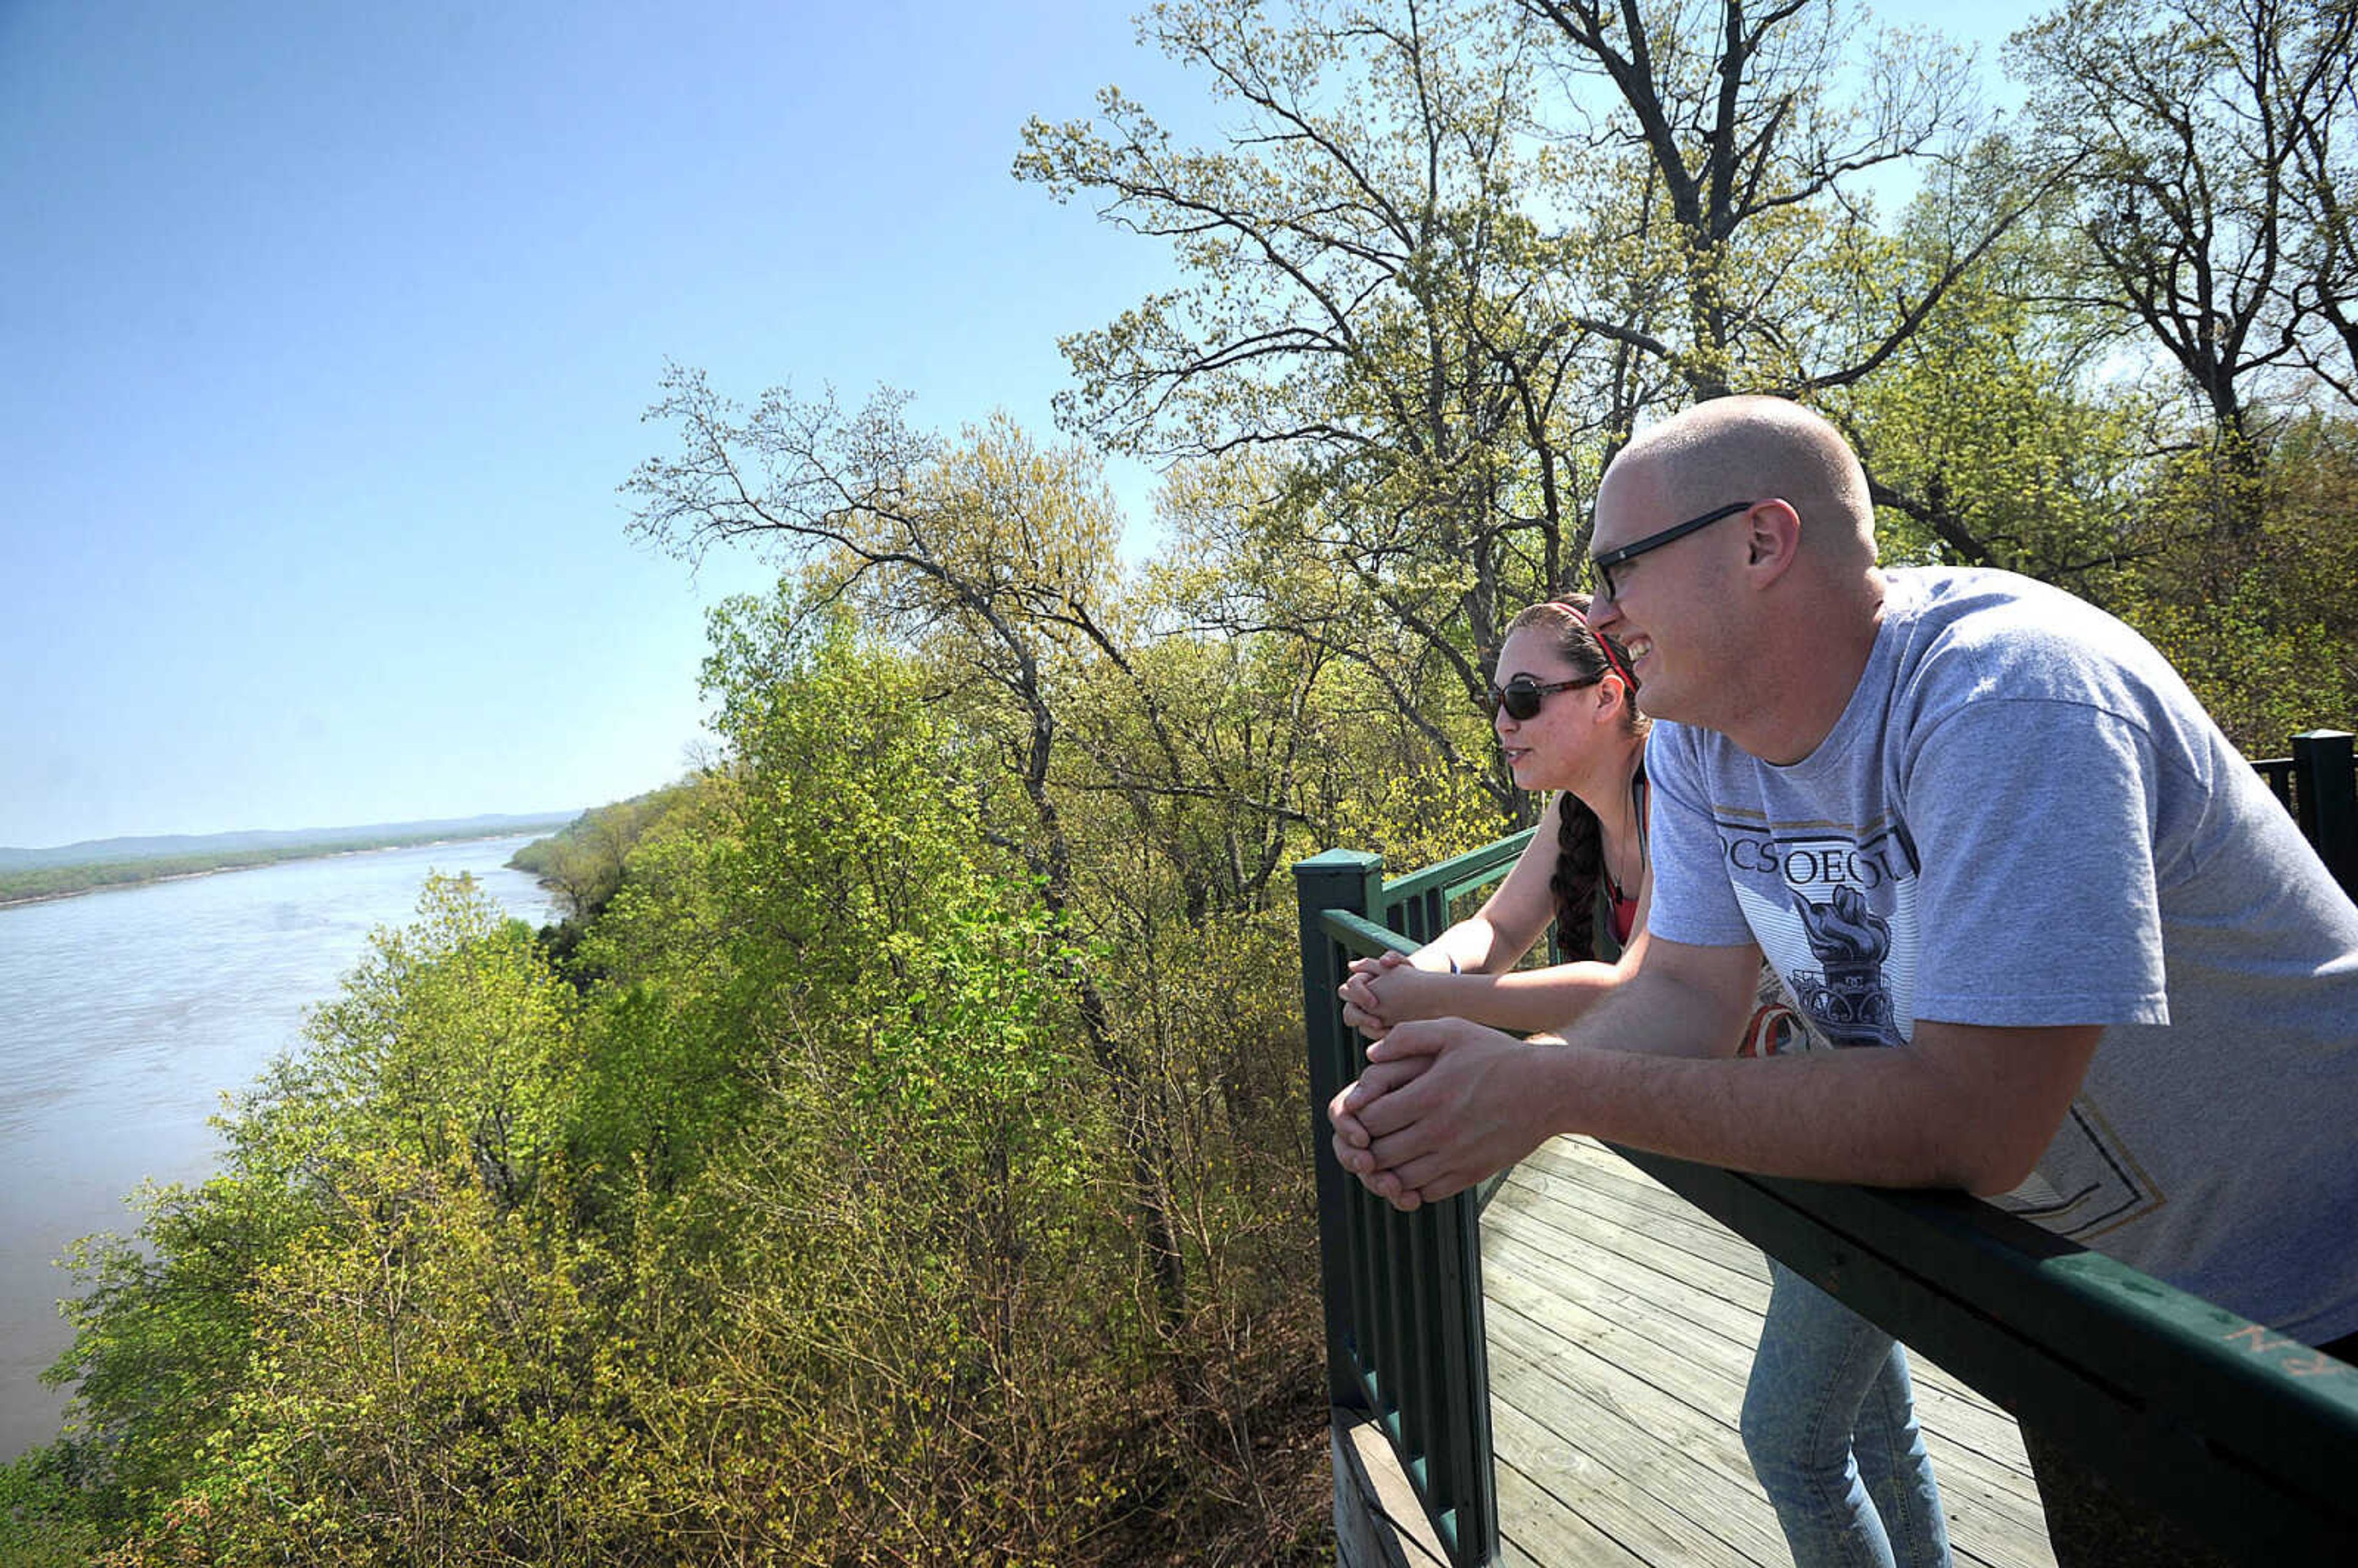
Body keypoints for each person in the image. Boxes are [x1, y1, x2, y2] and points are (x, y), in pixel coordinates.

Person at [1328, 396, 2358, 1566]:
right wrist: (1486, 1089)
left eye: (1620, 566)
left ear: (1763, 542)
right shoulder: (1704, 740)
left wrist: (1547, 1095)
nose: (1603, 612)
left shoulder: (2005, 697)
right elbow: (1682, 999)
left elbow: (1975, 1121)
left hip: (2324, 1319)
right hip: (2106, 1327)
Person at [1345, 594, 1952, 1568]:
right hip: (1765, 1138)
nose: (1504, 719)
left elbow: (1635, 981)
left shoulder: (1683, 784)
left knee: (1792, 1439)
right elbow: (1496, 930)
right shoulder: (1572, 818)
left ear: (1609, 695)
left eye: (1528, 694)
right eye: (1497, 698)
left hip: (1838, 1114)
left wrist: (1448, 1010)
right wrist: (1433, 974)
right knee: (1876, 1422)